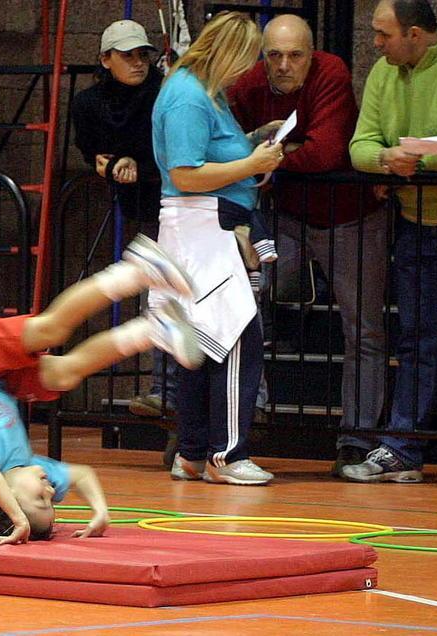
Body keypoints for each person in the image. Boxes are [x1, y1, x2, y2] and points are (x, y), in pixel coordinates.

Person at [0, 234, 202, 545]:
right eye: (52, 501)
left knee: (49, 329)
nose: (50, 492)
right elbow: (82, 475)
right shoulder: (32, 467)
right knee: (63, 376)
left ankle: (135, 271)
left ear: (8, 498)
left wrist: (18, 519)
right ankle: (153, 328)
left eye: (41, 500)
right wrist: (99, 511)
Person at [345, 0, 437, 488]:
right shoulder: (384, 73)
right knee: (414, 340)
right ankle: (402, 449)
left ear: (415, 33)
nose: (375, 43)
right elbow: (360, 146)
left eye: (383, 34)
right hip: (414, 222)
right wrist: (389, 159)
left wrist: (405, 162)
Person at [228, 14, 388, 477]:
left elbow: (329, 152)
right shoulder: (250, 82)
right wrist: (268, 151)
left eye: (294, 55)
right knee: (239, 307)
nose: (282, 65)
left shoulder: (331, 71)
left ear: (310, 54)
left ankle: (358, 438)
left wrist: (268, 154)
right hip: (286, 219)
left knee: (365, 331)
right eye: (273, 55)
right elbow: (226, 147)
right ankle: (237, 420)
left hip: (350, 217)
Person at [151, 11, 284, 485]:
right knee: (235, 338)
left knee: (200, 346)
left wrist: (250, 148)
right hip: (205, 227)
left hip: (201, 227)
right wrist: (253, 161)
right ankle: (225, 455)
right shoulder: (189, 96)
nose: (248, 71)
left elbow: (205, 160)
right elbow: (186, 174)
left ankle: (190, 453)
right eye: (247, 59)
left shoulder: (199, 90)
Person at [71, 19, 176, 422]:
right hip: (140, 207)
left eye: (142, 54)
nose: (137, 62)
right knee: (157, 295)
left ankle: (169, 388)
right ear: (105, 59)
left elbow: (172, 147)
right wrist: (106, 164)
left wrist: (136, 162)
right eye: (127, 55)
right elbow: (91, 151)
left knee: (171, 295)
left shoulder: (163, 93)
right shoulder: (88, 104)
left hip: (177, 201)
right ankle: (163, 389)